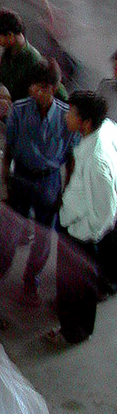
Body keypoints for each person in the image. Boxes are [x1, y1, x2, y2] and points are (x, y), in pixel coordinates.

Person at [0, 59, 76, 305]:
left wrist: (64, 191)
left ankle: (31, 281)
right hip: (22, 178)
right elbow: (9, 150)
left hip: (49, 182)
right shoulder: (19, 110)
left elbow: (71, 159)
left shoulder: (66, 119)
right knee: (10, 233)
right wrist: (5, 181)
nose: (30, 90)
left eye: (35, 86)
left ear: (49, 88)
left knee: (44, 237)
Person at [52, 92, 117, 344]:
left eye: (71, 113)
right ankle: (77, 327)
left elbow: (106, 213)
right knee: (79, 283)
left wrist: (81, 231)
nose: (66, 117)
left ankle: (73, 332)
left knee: (75, 286)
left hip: (82, 234)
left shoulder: (96, 161)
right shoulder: (107, 129)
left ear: (86, 122)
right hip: (76, 225)